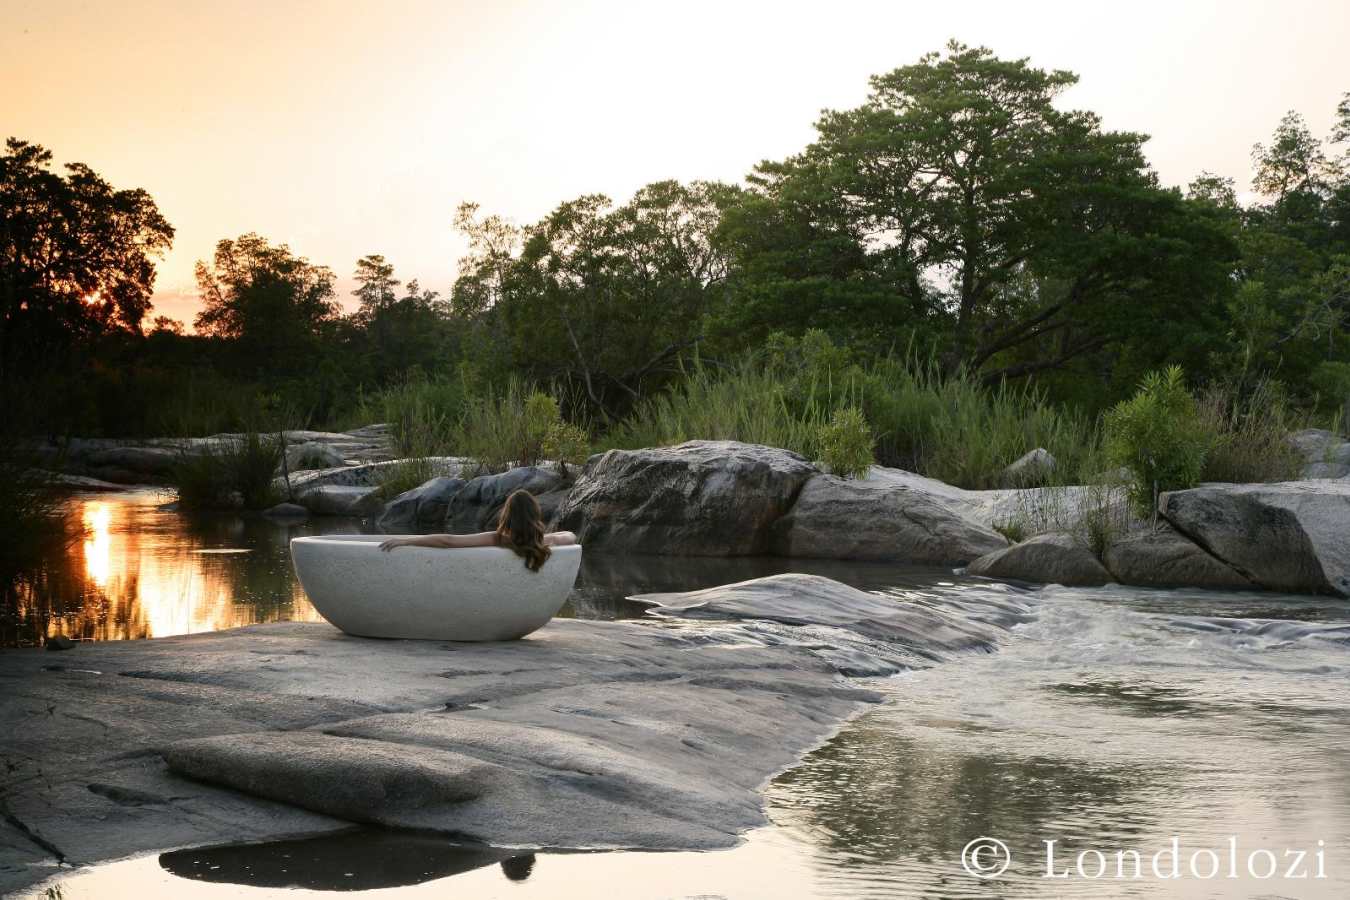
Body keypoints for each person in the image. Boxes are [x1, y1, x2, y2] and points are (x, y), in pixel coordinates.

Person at [378, 489, 576, 572]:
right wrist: (543, 538)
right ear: (535, 515)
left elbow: (449, 541)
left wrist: (408, 541)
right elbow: (570, 536)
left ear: (507, 515)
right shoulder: (546, 543)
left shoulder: (498, 539)